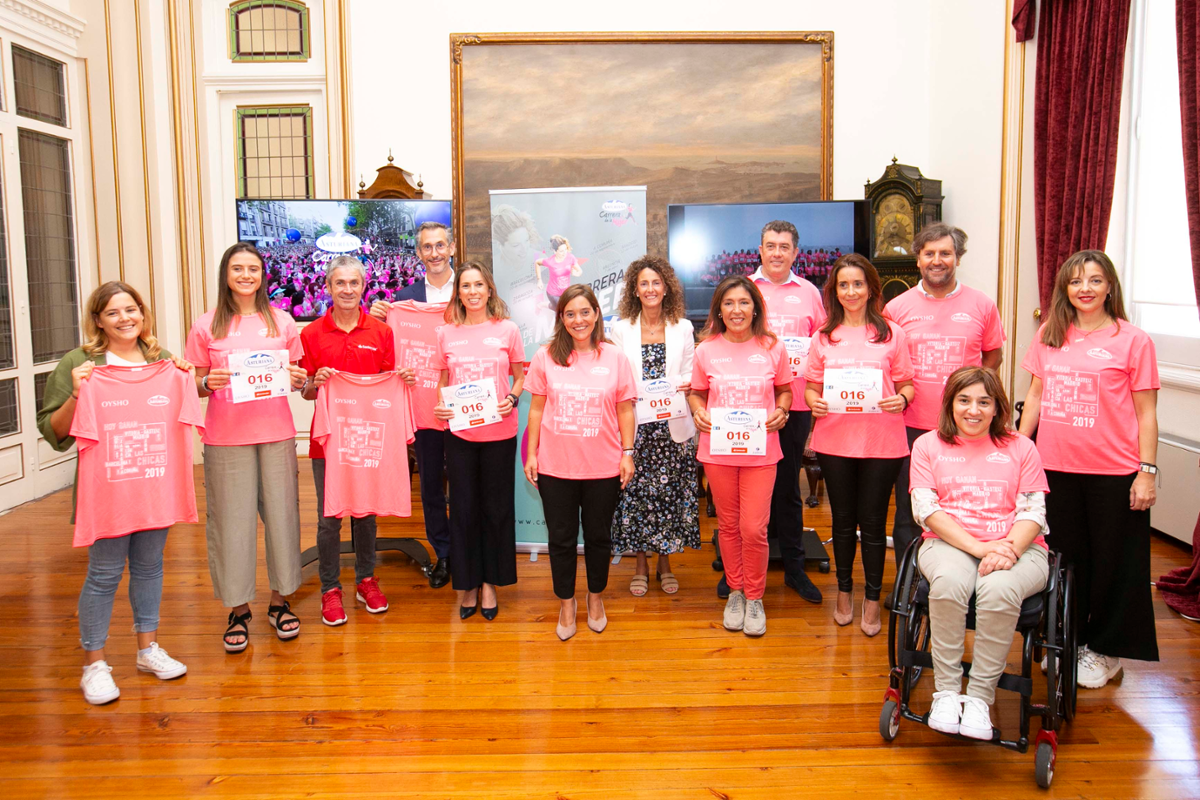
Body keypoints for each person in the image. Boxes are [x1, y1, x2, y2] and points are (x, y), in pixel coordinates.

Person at [37, 282, 191, 704]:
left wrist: (185, 376)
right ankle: (94, 664)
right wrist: (75, 390)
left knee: (150, 567)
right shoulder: (80, 362)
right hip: (107, 491)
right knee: (104, 574)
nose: (125, 319)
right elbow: (54, 433)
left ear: (143, 313)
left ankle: (148, 649)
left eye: (132, 310)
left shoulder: (160, 359)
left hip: (154, 487)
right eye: (113, 313)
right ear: (98, 320)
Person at [1019, 250, 1160, 689]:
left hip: (1114, 474)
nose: (1085, 289)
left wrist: (1147, 471)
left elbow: (1147, 413)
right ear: (1065, 287)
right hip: (1055, 470)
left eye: (1095, 280)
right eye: (1076, 281)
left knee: (1113, 565)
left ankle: (1104, 651)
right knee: (1063, 561)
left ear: (1109, 286)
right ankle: (1067, 639)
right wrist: (1020, 457)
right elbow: (1035, 398)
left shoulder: (1133, 340)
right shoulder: (1050, 334)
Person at [910, 366, 1050, 740]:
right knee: (950, 581)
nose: (973, 410)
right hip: (950, 544)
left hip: (1020, 547)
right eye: (964, 400)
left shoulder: (1022, 447)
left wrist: (1008, 550)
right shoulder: (927, 445)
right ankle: (947, 693)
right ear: (950, 405)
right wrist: (980, 547)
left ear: (997, 407)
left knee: (998, 589)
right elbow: (926, 509)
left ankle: (978, 700)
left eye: (983, 402)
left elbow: (1033, 512)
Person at [186, 242, 308, 653]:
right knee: (231, 525)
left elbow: (300, 378)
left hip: (276, 433)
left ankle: (280, 600)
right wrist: (208, 384)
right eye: (237, 269)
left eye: (252, 269)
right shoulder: (207, 326)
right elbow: (196, 384)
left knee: (282, 518)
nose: (245, 276)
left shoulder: (283, 322)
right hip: (225, 438)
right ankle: (237, 608)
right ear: (226, 275)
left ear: (262, 275)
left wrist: (296, 379)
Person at [804, 254, 914, 636]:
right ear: (834, 291)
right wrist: (813, 400)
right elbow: (811, 386)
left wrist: (902, 400)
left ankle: (871, 598)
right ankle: (845, 592)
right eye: (843, 285)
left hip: (882, 442)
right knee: (842, 521)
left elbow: (906, 385)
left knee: (872, 523)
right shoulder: (823, 336)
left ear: (871, 289)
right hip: (835, 440)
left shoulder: (892, 333)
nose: (851, 291)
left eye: (858, 284)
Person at [301, 255, 414, 626]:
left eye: (354, 283)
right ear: (329, 287)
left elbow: (389, 383)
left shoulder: (381, 332)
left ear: (363, 286)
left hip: (369, 438)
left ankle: (366, 578)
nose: (347, 289)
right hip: (328, 441)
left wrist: (405, 379)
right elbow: (304, 390)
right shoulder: (311, 333)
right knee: (329, 517)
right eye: (340, 283)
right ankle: (330, 589)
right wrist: (313, 382)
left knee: (366, 512)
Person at [887, 224, 1005, 571]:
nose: (937, 261)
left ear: (957, 258)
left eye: (945, 253)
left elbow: (992, 359)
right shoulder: (896, 308)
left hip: (965, 428)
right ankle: (910, 585)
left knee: (961, 506)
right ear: (918, 259)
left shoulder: (982, 305)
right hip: (910, 427)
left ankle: (964, 576)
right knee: (911, 510)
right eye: (929, 253)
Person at [523, 285, 636, 641]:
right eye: (570, 313)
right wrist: (532, 453)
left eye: (584, 312)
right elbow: (537, 409)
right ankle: (567, 602)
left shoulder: (615, 357)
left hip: (603, 467)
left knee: (600, 537)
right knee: (561, 538)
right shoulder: (545, 356)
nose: (578, 320)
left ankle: (596, 597)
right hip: (556, 467)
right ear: (561, 319)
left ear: (597, 314)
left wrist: (627, 453)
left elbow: (625, 409)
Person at [689, 276, 793, 637]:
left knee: (754, 527)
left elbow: (784, 391)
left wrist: (782, 410)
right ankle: (736, 591)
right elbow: (697, 393)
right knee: (729, 526)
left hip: (761, 451)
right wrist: (698, 410)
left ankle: (756, 596)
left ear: (755, 308)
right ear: (719, 308)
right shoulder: (706, 349)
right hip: (718, 452)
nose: (737, 310)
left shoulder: (771, 347)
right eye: (729, 303)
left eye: (744, 303)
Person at [431, 262, 525, 620]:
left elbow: (520, 375)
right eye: (465, 286)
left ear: (489, 290)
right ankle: (468, 582)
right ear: (459, 293)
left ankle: (490, 583)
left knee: (496, 509)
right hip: (459, 434)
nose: (472, 291)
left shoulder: (508, 330)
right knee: (464, 509)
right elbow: (443, 379)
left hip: (499, 433)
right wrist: (441, 404)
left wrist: (513, 398)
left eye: (478, 285)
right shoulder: (446, 333)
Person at [369, 221, 455, 589]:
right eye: (426, 247)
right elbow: (384, 352)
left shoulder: (471, 290)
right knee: (432, 488)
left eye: (440, 245)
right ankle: (445, 554)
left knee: (467, 488)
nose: (434, 253)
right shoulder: (403, 300)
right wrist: (374, 319)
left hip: (465, 408)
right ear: (418, 253)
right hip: (423, 408)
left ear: (451, 248)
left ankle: (470, 553)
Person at [608, 256, 700, 596]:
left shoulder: (684, 327)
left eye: (656, 283)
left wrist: (683, 385)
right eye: (644, 283)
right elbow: (618, 378)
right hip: (637, 427)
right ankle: (641, 563)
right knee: (636, 497)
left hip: (673, 428)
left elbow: (692, 374)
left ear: (666, 288)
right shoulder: (621, 328)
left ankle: (665, 562)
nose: (650, 289)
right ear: (635, 288)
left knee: (669, 495)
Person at [750, 220, 826, 603]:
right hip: (748, 411)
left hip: (794, 405)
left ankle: (794, 568)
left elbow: (826, 347)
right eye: (770, 245)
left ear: (796, 253)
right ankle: (744, 571)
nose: (777, 252)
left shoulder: (810, 293)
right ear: (759, 250)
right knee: (750, 494)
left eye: (784, 246)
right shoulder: (744, 291)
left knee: (788, 490)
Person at [535, 235, 583, 309]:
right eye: (561, 251)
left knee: (559, 308)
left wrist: (575, 273)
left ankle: (541, 305)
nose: (564, 253)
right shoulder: (550, 261)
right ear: (555, 251)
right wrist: (539, 280)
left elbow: (580, 271)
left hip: (565, 292)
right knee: (562, 310)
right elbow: (537, 263)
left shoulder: (570, 257)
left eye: (565, 249)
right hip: (553, 293)